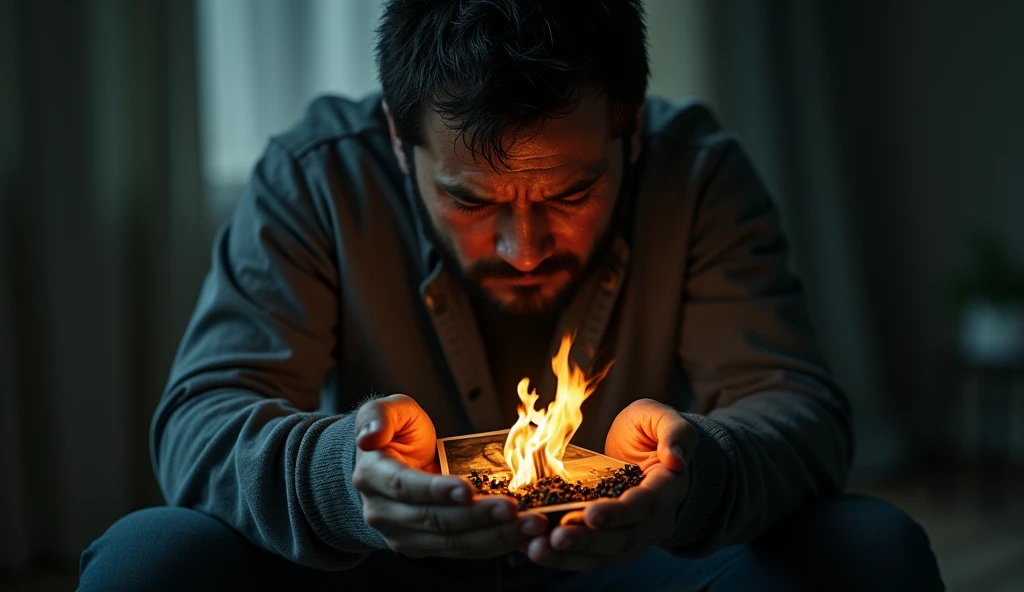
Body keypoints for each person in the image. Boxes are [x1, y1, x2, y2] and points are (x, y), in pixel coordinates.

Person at [79, 1, 944, 590]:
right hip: (384, 568)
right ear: (397, 137)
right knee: (145, 561)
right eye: (470, 199)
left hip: (624, 566)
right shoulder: (316, 179)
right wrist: (344, 478)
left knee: (872, 551)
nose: (523, 247)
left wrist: (696, 475)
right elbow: (200, 418)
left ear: (630, 131)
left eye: (569, 194)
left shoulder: (699, 176)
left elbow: (799, 408)